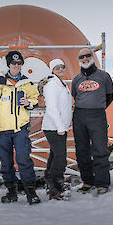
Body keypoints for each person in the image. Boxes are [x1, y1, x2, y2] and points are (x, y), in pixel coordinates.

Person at [0, 51, 41, 205]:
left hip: (20, 129)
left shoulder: (26, 83)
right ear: (8, 65)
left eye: (19, 64)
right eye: (13, 64)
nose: (16, 66)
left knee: (24, 159)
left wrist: (29, 103)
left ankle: (31, 193)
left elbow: (35, 98)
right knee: (6, 162)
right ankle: (12, 192)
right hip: (3, 130)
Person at [72, 48, 113, 195]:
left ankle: (102, 183)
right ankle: (87, 181)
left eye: (87, 55)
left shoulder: (104, 76)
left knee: (100, 149)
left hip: (97, 115)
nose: (85, 59)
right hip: (79, 115)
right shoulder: (76, 79)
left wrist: (96, 107)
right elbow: (75, 95)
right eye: (81, 57)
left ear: (92, 57)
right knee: (82, 150)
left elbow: (109, 96)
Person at [38, 59, 72, 200]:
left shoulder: (61, 83)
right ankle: (56, 189)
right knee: (60, 159)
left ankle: (51, 184)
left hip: (60, 127)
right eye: (56, 67)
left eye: (62, 66)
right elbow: (51, 108)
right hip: (54, 128)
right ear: (52, 70)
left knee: (54, 156)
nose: (60, 69)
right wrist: (60, 127)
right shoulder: (52, 85)